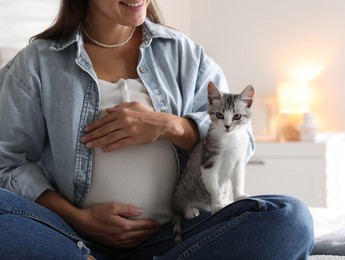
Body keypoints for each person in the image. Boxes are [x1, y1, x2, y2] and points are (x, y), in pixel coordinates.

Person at [0, 0, 314, 259]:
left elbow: (240, 147)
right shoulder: (36, 64)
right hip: (73, 239)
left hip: (177, 237)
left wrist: (172, 126)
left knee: (289, 218)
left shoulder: (185, 55)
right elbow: (7, 164)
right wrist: (81, 220)